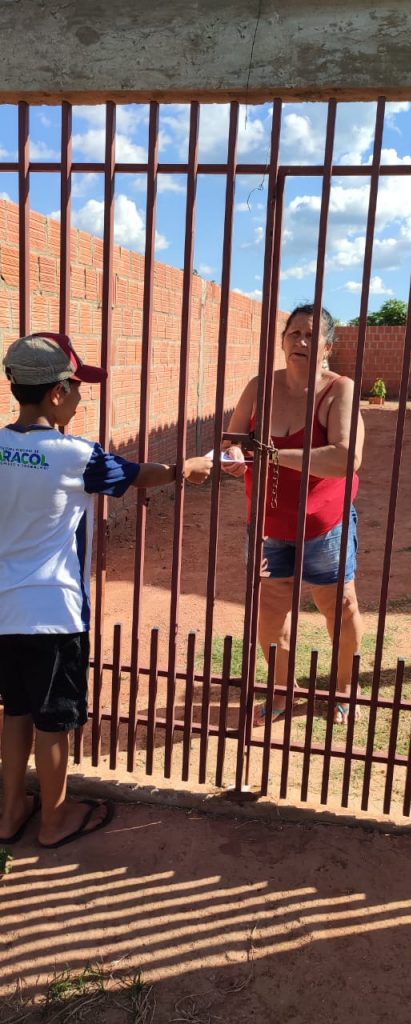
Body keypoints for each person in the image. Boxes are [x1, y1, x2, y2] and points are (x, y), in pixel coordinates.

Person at [0, 331, 212, 848]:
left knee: (15, 710)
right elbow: (142, 475)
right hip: (54, 612)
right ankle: (54, 819)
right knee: (53, 721)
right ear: (55, 393)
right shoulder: (76, 455)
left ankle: (9, 813)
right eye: (75, 387)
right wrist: (186, 470)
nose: (79, 396)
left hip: (4, 611)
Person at [222, 304, 364, 725]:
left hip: (325, 524)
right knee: (270, 611)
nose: (300, 341)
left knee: (338, 605)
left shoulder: (339, 389)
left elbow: (345, 458)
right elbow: (233, 437)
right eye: (293, 333)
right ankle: (282, 691)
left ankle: (343, 687)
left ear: (327, 346)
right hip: (267, 524)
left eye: (310, 335)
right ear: (282, 339)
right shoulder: (260, 386)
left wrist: (269, 455)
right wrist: (233, 453)